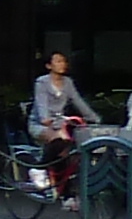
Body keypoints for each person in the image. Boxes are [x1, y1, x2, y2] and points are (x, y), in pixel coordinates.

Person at [25, 50, 98, 193]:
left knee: (67, 153)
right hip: (40, 123)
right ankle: (38, 169)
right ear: (48, 65)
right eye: (58, 61)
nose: (62, 64)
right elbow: (41, 104)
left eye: (63, 61)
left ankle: (65, 194)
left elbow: (78, 101)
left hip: (60, 123)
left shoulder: (68, 82)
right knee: (60, 141)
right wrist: (45, 119)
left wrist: (94, 118)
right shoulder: (42, 82)